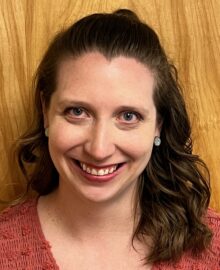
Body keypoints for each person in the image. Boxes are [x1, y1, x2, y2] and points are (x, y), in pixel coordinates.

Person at [0, 9, 219, 270]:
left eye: (128, 116)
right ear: (46, 112)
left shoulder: (212, 250)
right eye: (77, 112)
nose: (99, 148)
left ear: (158, 125)